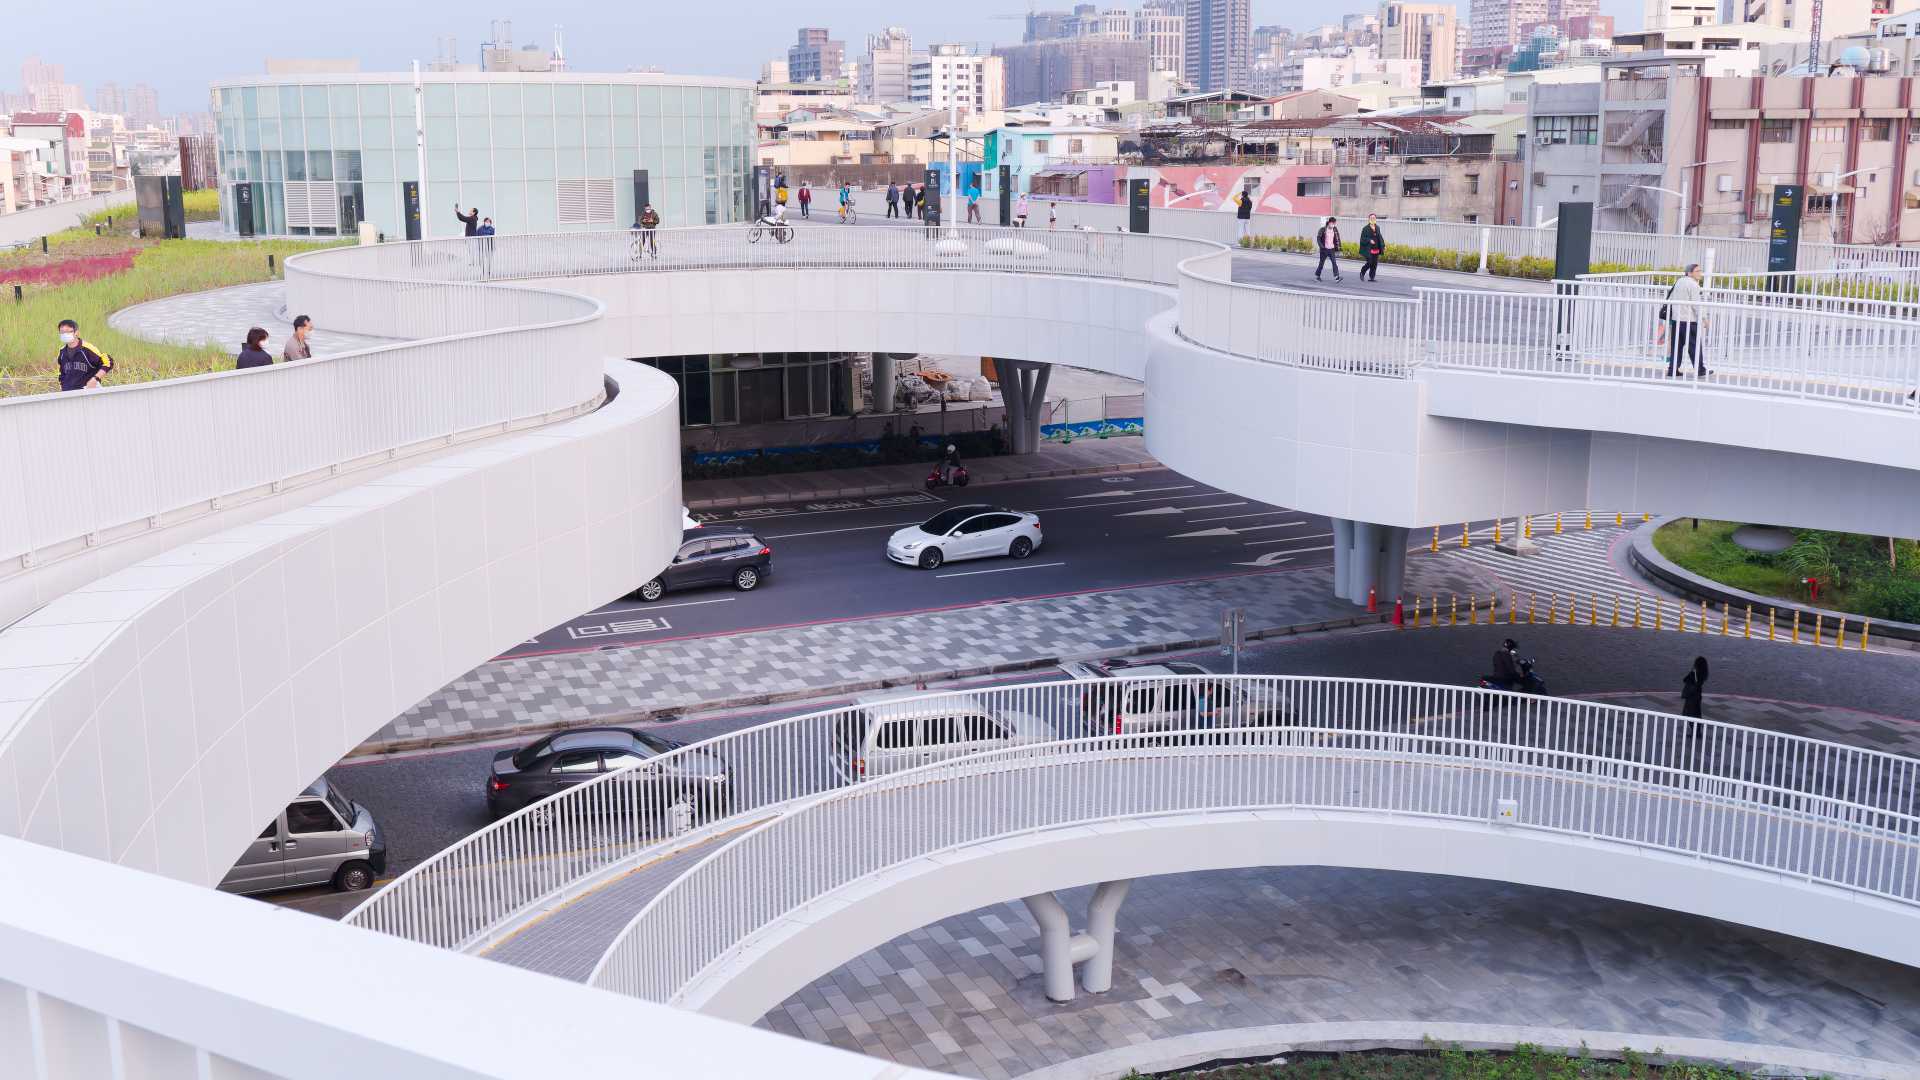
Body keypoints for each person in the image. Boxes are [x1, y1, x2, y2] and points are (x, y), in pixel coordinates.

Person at [1664, 262, 1708, 378]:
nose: (1700, 273)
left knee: (1676, 346)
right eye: (1697, 271)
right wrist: (1704, 319)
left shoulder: (1679, 282)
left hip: (1676, 319)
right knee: (1694, 346)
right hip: (1689, 320)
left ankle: (1673, 369)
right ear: (1690, 273)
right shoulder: (1693, 285)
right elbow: (1696, 304)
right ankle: (1700, 369)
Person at [54, 318, 112, 391]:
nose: (65, 335)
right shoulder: (62, 352)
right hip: (69, 395)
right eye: (62, 332)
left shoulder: (87, 349)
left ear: (76, 332)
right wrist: (63, 387)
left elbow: (108, 362)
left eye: (68, 332)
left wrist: (95, 379)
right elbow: (62, 373)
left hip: (88, 392)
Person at [1680, 655, 1709, 722]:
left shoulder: (1694, 673)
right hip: (1698, 696)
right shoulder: (1703, 673)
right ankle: (1697, 731)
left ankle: (1695, 731)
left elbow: (1685, 679)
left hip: (1691, 696)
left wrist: (1692, 671)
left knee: (1690, 715)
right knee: (1697, 714)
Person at [1314, 216, 1342, 282]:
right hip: (1324, 249)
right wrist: (1321, 246)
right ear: (1329, 222)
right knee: (1321, 263)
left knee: (1334, 262)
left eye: (1334, 223)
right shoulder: (1323, 229)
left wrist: (1339, 248)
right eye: (1332, 223)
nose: (1333, 225)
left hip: (1331, 249)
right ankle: (1317, 276)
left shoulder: (1335, 229)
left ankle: (1336, 277)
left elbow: (1337, 239)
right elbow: (1318, 238)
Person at [1358, 214, 1384, 282]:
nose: (1373, 219)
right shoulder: (1365, 228)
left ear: (1375, 219)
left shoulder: (1377, 227)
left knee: (1374, 264)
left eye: (1374, 218)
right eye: (1371, 218)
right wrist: (1369, 240)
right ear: (1369, 219)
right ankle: (1362, 272)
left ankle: (1372, 277)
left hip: (1376, 248)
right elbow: (1362, 239)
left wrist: (1383, 245)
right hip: (1369, 249)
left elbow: (1380, 237)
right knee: (1370, 262)